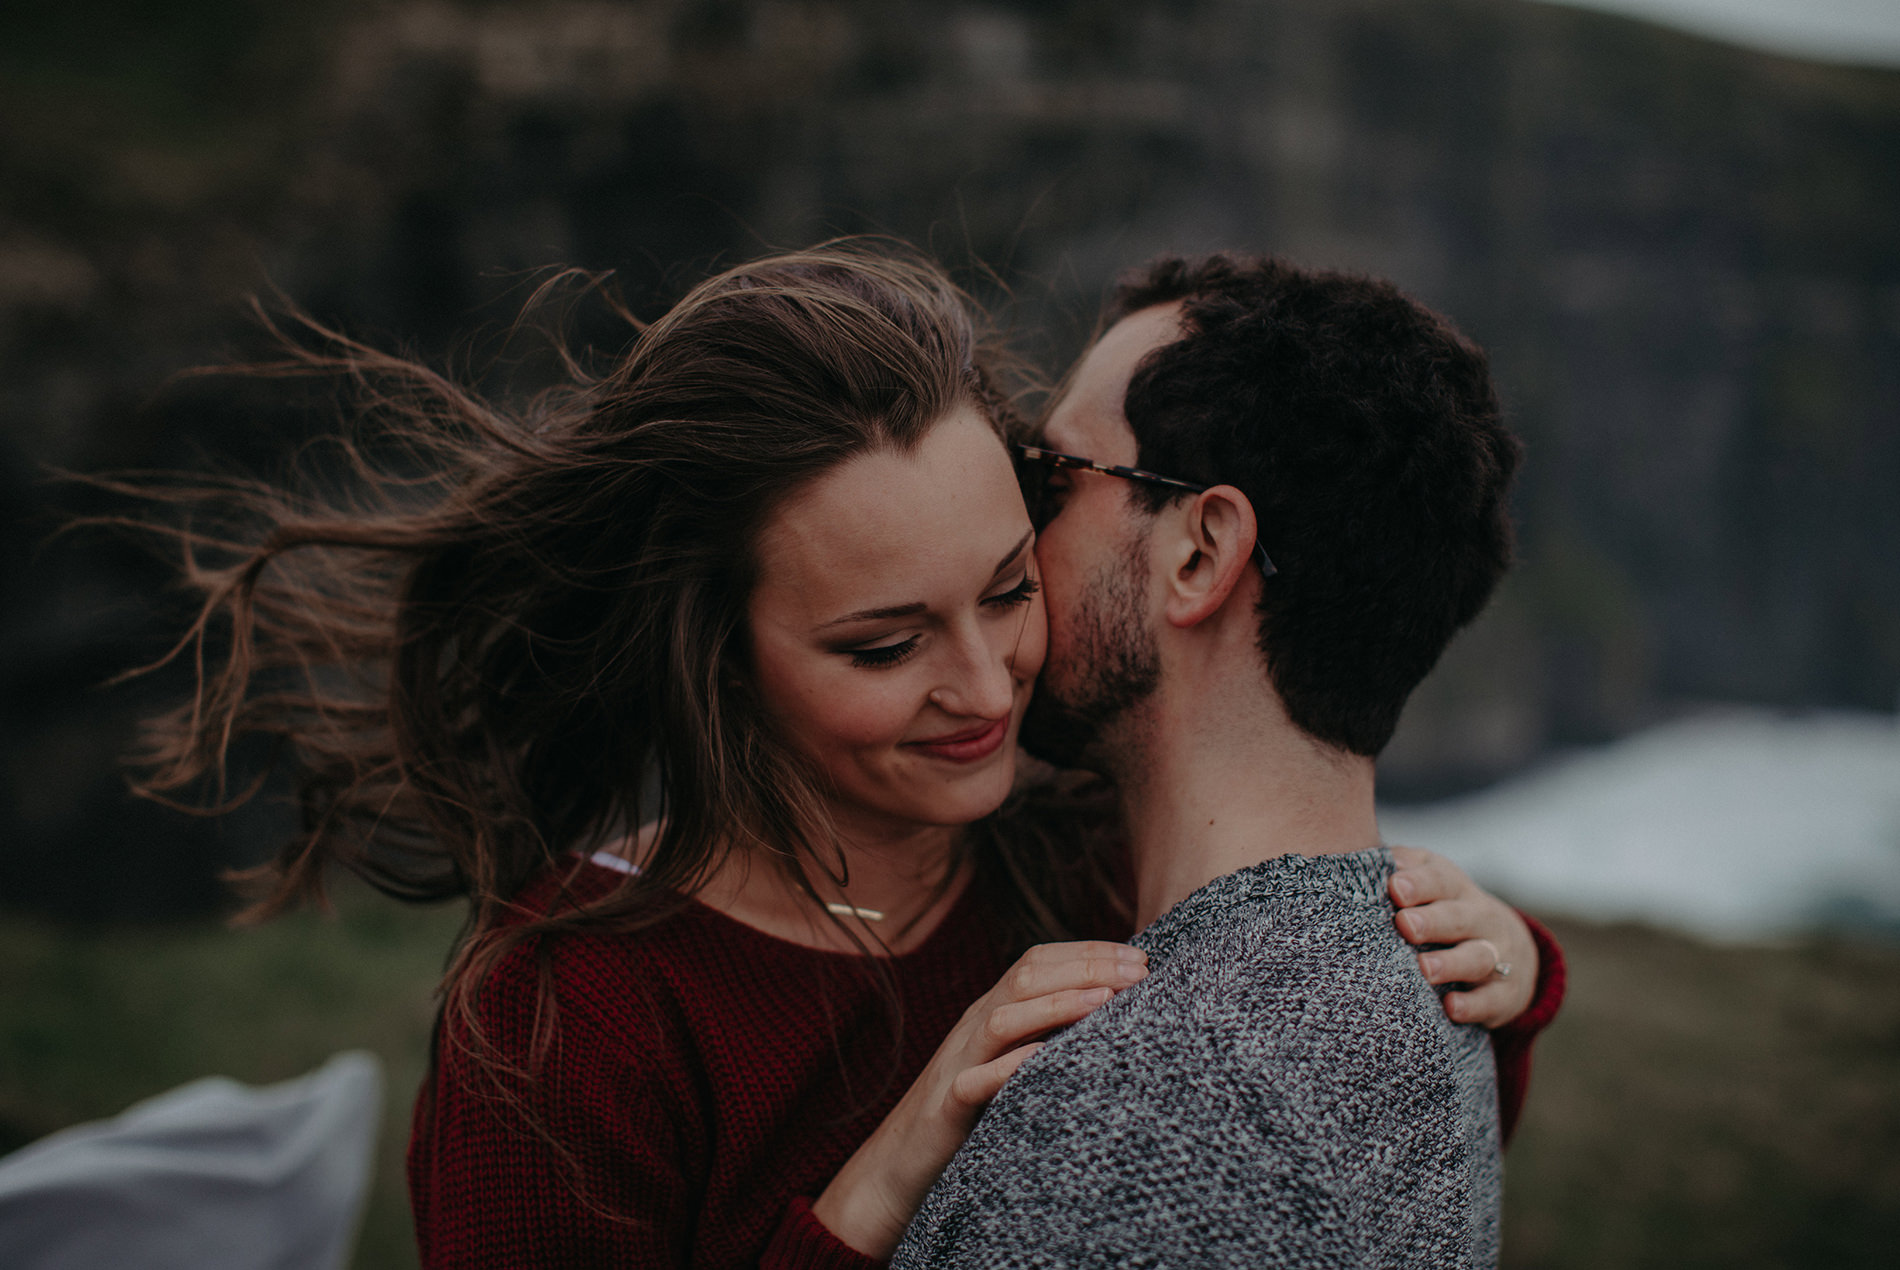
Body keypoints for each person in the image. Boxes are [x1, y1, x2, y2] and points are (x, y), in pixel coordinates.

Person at [126, 243, 1561, 1268]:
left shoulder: (1070, 842)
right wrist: (874, 1189)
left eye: (1008, 583)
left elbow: (1316, 1190)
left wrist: (1497, 972)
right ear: (720, 648)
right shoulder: (569, 1015)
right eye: (882, 645)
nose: (982, 681)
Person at [897, 255, 1528, 1267]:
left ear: (1199, 553)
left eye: (1053, 477)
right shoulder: (1424, 994)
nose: (1012, 532)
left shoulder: (1134, 1112)